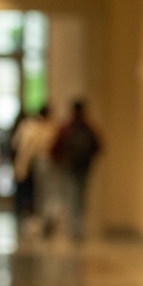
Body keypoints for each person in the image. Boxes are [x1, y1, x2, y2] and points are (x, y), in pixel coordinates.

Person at [51, 99, 101, 241]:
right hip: (83, 167)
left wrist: (60, 161)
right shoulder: (88, 127)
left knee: (72, 195)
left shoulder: (67, 127)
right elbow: (99, 146)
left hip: (70, 167)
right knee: (81, 196)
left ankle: (74, 226)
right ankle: (78, 226)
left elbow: (56, 146)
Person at [11, 105, 56, 234]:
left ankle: (38, 218)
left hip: (37, 164)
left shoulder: (31, 127)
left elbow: (16, 144)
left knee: (40, 192)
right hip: (39, 164)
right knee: (40, 192)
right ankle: (35, 218)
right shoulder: (37, 128)